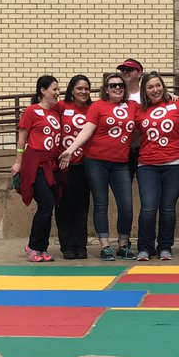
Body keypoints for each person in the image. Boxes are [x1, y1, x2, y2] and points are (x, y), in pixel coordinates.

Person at [59, 72, 139, 261]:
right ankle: (105, 246)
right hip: (96, 161)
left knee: (126, 205)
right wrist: (71, 149)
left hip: (121, 163)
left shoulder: (133, 106)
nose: (117, 88)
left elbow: (152, 110)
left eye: (120, 85)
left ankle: (122, 245)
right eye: (113, 85)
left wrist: (173, 98)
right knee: (101, 204)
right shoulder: (97, 106)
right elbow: (87, 129)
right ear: (106, 89)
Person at [135, 72, 179, 261]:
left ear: (163, 86)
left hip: (174, 165)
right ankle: (144, 247)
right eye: (150, 87)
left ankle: (165, 246)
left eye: (158, 85)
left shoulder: (178, 104)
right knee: (148, 208)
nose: (155, 90)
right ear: (145, 91)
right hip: (147, 165)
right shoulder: (139, 110)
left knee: (167, 208)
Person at [11, 75, 62, 262]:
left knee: (48, 206)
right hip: (35, 163)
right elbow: (22, 139)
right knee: (46, 204)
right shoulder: (32, 112)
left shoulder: (56, 112)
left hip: (51, 163)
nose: (58, 93)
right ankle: (34, 246)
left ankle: (42, 247)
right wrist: (18, 162)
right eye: (54, 89)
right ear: (43, 90)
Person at [54, 74, 92, 259]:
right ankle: (66, 246)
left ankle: (81, 246)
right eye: (79, 88)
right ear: (72, 90)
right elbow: (43, 109)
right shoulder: (62, 106)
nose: (83, 92)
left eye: (86, 89)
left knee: (81, 207)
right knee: (63, 206)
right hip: (63, 166)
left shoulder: (92, 109)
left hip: (85, 165)